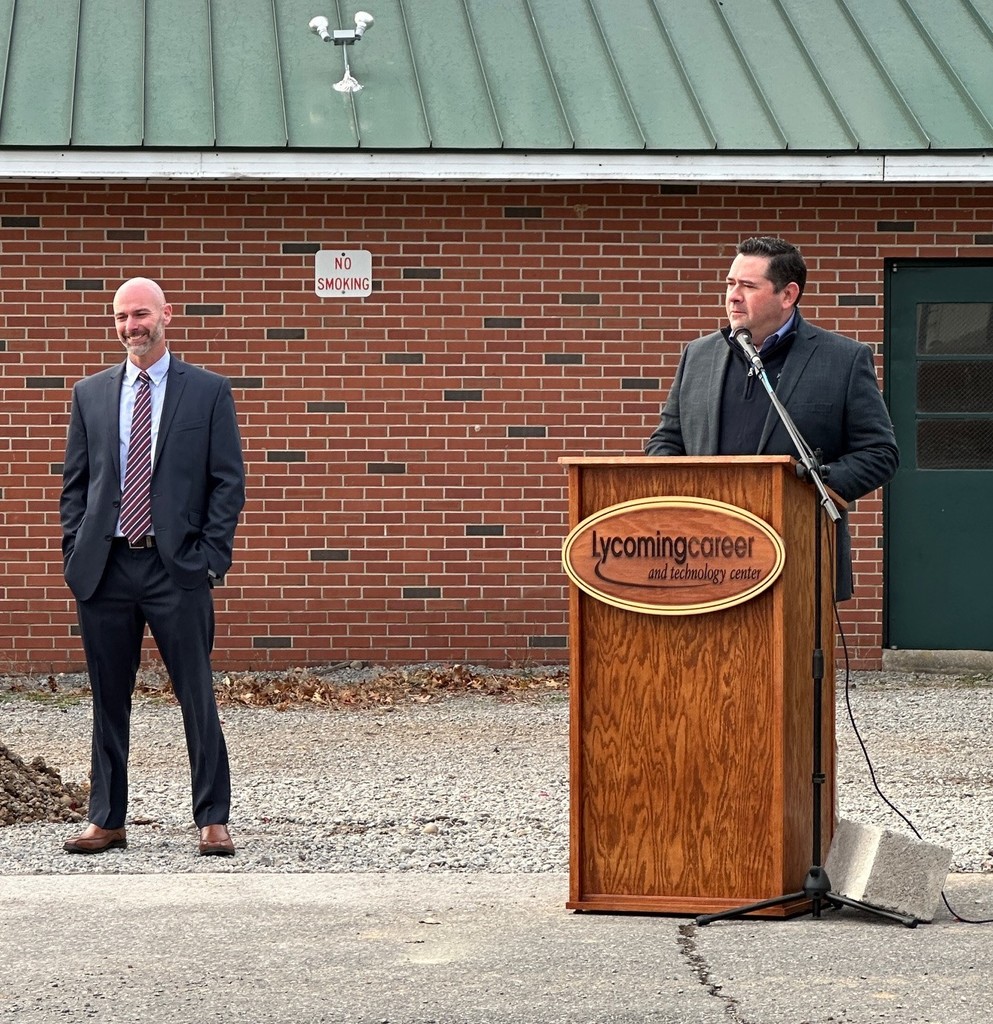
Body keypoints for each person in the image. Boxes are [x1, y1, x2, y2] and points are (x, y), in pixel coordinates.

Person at [60, 277, 245, 856]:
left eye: (140, 314)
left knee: (196, 694)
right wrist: (75, 551)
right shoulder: (90, 393)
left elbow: (227, 481)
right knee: (108, 699)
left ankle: (212, 818)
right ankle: (106, 818)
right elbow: (76, 484)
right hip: (106, 569)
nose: (130, 326)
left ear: (167, 314)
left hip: (177, 569)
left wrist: (210, 557)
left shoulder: (208, 391)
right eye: (121, 317)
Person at [644, 236, 898, 600]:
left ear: (788, 295)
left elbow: (880, 453)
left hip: (798, 561)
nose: (733, 296)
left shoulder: (843, 359)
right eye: (730, 283)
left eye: (748, 286)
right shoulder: (698, 355)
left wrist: (806, 486)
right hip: (702, 557)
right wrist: (681, 491)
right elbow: (666, 441)